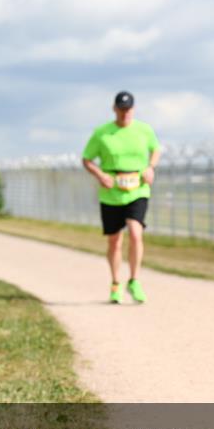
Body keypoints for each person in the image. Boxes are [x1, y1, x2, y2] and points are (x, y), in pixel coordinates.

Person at [82, 91, 161, 304]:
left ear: (133, 109)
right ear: (114, 109)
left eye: (129, 109)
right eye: (121, 109)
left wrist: (150, 168)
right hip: (111, 191)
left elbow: (156, 149)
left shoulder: (144, 130)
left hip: (138, 189)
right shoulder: (102, 133)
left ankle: (134, 280)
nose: (125, 113)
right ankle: (116, 283)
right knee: (115, 241)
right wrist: (100, 175)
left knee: (136, 233)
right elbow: (87, 159)